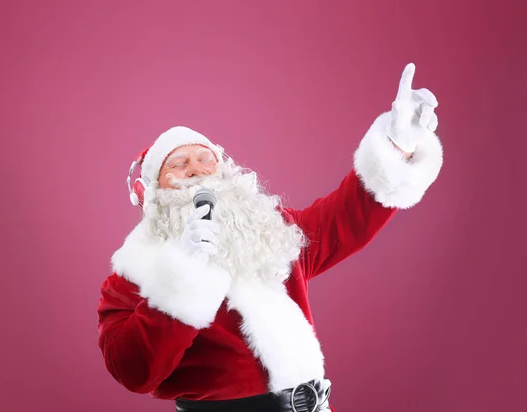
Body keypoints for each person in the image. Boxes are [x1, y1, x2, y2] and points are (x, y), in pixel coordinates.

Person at [96, 63, 443, 412]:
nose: (197, 170)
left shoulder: (271, 231)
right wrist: (181, 278)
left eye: (205, 159)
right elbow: (133, 370)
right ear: (155, 189)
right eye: (179, 164)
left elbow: (346, 218)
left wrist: (396, 149)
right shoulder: (132, 275)